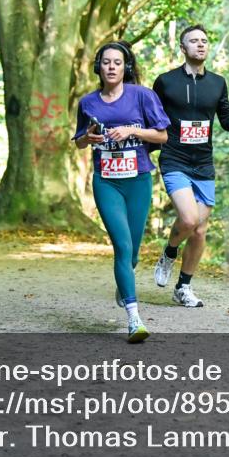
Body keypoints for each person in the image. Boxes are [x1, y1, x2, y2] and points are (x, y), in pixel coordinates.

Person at [150, 24, 229, 307]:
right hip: (174, 159)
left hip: (203, 163)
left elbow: (226, 119)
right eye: (194, 41)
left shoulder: (217, 82)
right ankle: (169, 253)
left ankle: (183, 287)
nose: (200, 45)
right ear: (183, 48)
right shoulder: (165, 81)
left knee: (199, 230)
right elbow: (153, 120)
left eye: (204, 41)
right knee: (188, 219)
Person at [74, 40, 169, 343]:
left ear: (125, 67)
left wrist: (132, 130)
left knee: (134, 254)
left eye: (117, 62)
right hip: (107, 182)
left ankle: (123, 282)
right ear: (98, 67)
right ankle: (134, 317)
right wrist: (87, 138)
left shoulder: (142, 96)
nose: (112, 67)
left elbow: (163, 135)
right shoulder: (88, 102)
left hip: (138, 179)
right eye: (106, 62)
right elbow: (78, 140)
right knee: (122, 246)